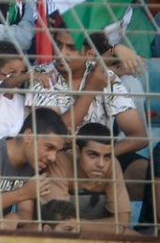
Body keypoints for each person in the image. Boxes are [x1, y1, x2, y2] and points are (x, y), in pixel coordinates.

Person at [27, 28, 150, 170]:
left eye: (71, 48)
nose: (61, 53)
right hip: (57, 157)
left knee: (142, 168)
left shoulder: (104, 75)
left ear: (89, 54)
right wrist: (91, 88)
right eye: (58, 44)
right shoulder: (41, 74)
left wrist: (101, 156)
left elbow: (139, 136)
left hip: (99, 163)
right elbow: (55, 134)